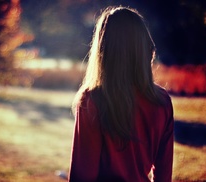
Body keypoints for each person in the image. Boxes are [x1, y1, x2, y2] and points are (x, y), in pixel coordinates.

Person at [68, 6, 174, 182]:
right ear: (144, 48)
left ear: (104, 50)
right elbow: (164, 176)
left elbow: (83, 175)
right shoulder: (162, 101)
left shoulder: (92, 100)